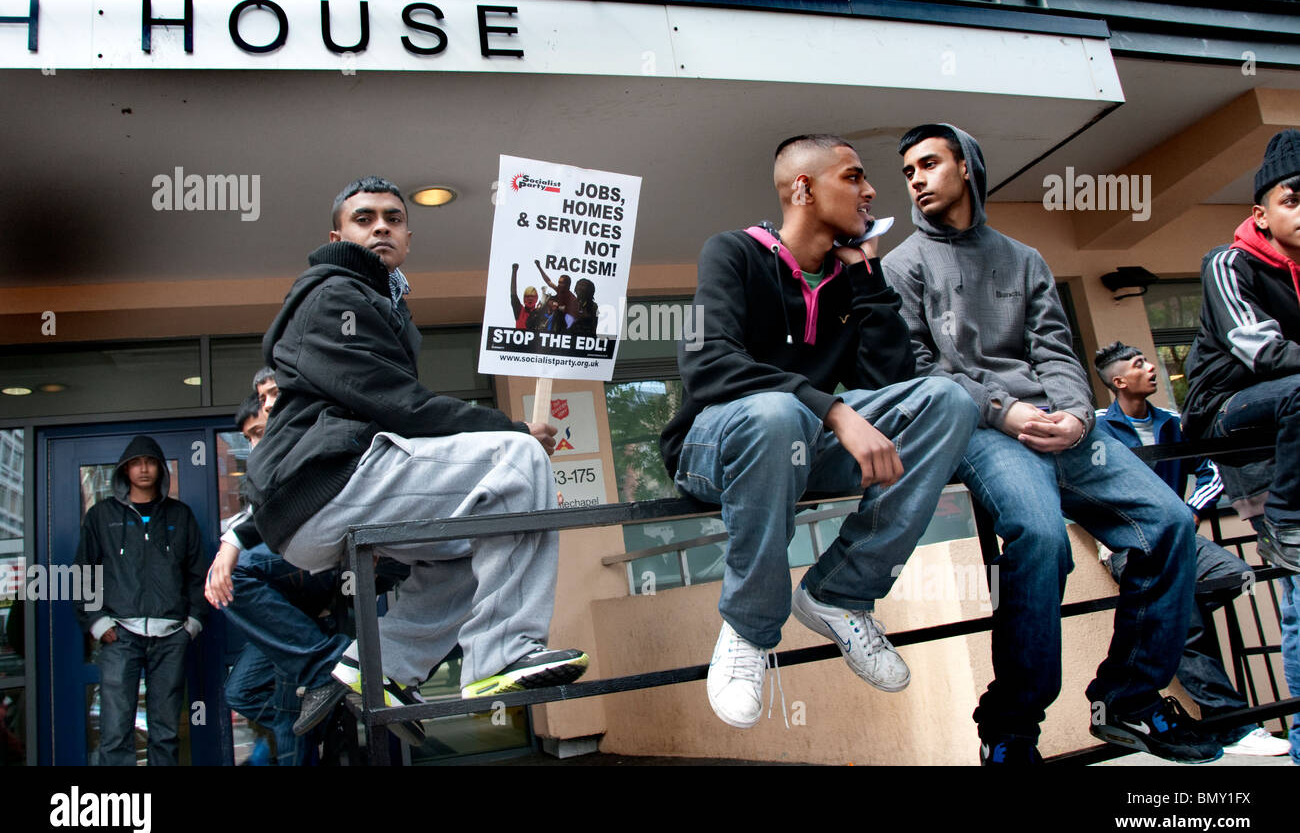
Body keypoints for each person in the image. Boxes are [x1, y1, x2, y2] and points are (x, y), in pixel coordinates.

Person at [882, 123, 1218, 764]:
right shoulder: (902, 265)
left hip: (1060, 426)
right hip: (982, 429)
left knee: (1170, 521)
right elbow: (919, 369)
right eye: (908, 172)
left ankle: (1128, 697)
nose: (917, 180)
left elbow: (1055, 350)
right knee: (1039, 536)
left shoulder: (1024, 258)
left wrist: (1076, 418)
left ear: (968, 168)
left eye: (929, 164)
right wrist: (1006, 413)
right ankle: (1010, 728)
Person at [660, 134, 978, 729]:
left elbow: (889, 381)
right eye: (854, 177)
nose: (873, 190)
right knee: (776, 413)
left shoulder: (846, 279)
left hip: (801, 450)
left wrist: (865, 275)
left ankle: (840, 591)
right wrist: (831, 411)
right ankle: (750, 629)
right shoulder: (730, 251)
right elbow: (706, 364)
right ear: (803, 188)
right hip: (716, 448)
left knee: (946, 400)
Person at [245, 175, 588, 723]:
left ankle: (379, 668)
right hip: (323, 483)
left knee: (468, 548)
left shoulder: (378, 299)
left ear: (407, 235)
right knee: (516, 460)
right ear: (338, 234)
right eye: (365, 218)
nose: (381, 225)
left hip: (318, 498)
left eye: (393, 218)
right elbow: (398, 404)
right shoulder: (334, 294)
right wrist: (512, 430)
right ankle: (501, 656)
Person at [1093, 342, 1288, 756]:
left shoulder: (1172, 422)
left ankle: (1175, 618)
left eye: (1147, 359)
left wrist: (1190, 509)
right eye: (1138, 364)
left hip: (1180, 537)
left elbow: (1210, 470)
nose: (1151, 367)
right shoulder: (1098, 429)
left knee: (1234, 575)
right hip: (1130, 544)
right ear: (1118, 382)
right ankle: (1231, 724)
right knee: (1190, 624)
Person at [1182, 127, 1300, 765]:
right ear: (1262, 212)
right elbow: (1262, 351)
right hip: (1230, 419)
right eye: (1294, 198)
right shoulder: (1227, 263)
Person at [213, 389, 349, 762]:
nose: (255, 444)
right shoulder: (267, 469)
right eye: (249, 438)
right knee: (241, 694)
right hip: (286, 609)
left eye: (259, 431)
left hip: (316, 573)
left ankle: (329, 667)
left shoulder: (307, 448)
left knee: (236, 572)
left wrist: (232, 547)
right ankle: (320, 716)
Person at [75, 434, 206, 765]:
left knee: (165, 731)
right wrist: (96, 622)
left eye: (150, 462)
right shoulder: (102, 516)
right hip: (120, 635)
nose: (144, 469)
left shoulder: (180, 516)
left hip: (170, 634)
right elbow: (82, 574)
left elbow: (197, 574)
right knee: (115, 731)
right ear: (125, 470)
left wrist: (191, 624)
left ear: (160, 469)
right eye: (136, 463)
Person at [509, 264, 539, 330]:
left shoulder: (539, 312)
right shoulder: (519, 310)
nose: (530, 298)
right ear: (524, 299)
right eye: (527, 296)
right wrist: (514, 271)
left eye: (532, 296)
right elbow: (513, 294)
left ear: (536, 298)